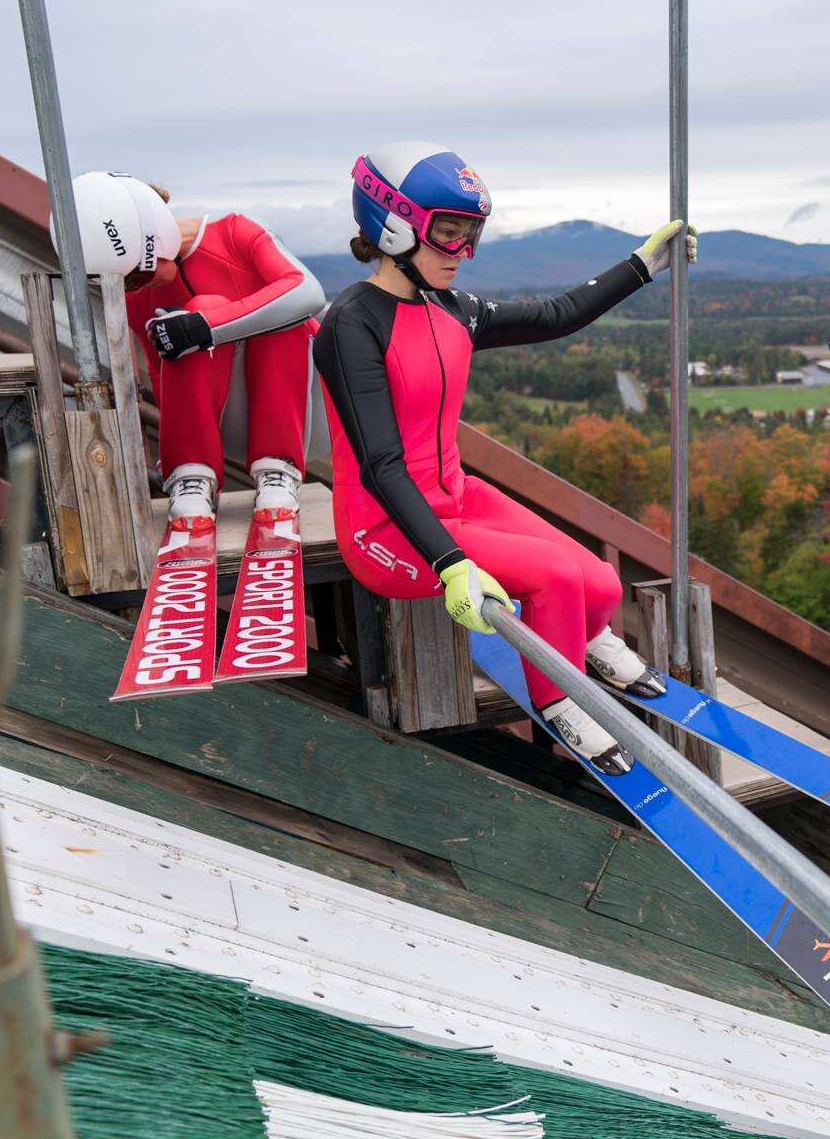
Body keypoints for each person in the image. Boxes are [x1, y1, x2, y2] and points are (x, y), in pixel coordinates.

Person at [314, 142, 695, 775]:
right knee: (555, 578)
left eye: (472, 237)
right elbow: (381, 465)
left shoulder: (451, 308)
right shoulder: (352, 325)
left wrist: (640, 267)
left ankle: (588, 642)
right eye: (448, 234)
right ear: (395, 222)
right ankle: (562, 702)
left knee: (598, 581)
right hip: (385, 529)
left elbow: (553, 316)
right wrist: (451, 561)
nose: (461, 254)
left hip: (452, 497)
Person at [68, 171, 324, 523]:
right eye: (128, 281)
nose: (140, 285)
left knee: (245, 306)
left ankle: (277, 469)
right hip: (226, 422)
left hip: (308, 408)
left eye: (139, 274)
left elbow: (306, 292)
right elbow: (162, 373)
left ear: (153, 234)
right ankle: (190, 472)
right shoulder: (139, 295)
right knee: (186, 319)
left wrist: (203, 327)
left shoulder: (235, 233)